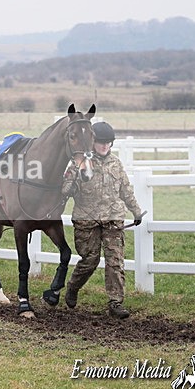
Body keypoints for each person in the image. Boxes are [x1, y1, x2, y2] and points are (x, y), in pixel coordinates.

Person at [61, 121, 144, 319]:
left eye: (108, 142)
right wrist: (72, 180)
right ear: (92, 142)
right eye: (101, 142)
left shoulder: (116, 163)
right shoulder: (79, 162)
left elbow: (125, 189)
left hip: (113, 219)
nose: (105, 146)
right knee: (90, 261)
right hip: (87, 220)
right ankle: (73, 287)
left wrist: (136, 211)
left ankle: (115, 302)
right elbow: (64, 191)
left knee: (115, 262)